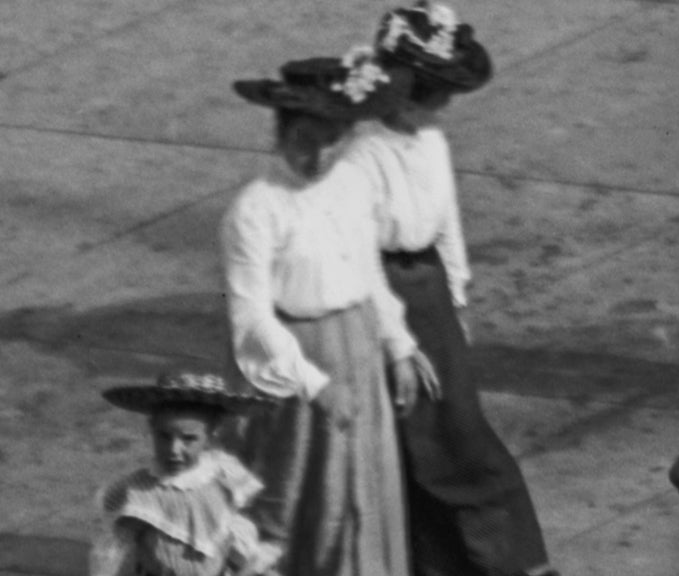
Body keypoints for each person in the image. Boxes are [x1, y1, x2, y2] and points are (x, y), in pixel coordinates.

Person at [344, 4, 558, 576]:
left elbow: (448, 227)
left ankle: (505, 559)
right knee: (425, 445)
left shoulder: (432, 143)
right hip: (389, 300)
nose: (437, 105)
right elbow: (360, 257)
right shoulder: (362, 153)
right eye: (428, 91)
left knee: (457, 433)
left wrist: (458, 300)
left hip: (432, 293)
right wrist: (397, 344)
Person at [221, 48, 437, 576]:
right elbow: (251, 320)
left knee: (364, 488)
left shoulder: (354, 184)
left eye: (331, 141)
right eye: (303, 142)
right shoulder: (256, 208)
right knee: (296, 499)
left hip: (357, 351)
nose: (317, 157)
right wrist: (315, 386)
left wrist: (398, 345)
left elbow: (368, 276)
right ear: (279, 135)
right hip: (292, 367)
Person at [89, 369, 281, 576]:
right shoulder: (140, 490)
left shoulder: (223, 476)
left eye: (188, 439)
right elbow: (115, 547)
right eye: (164, 437)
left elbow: (235, 532)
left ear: (211, 434)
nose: (174, 450)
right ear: (152, 429)